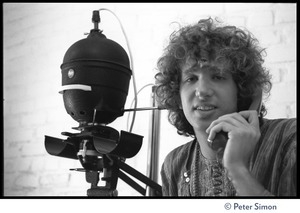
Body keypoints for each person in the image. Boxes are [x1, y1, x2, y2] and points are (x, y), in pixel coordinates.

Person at [154, 17, 296, 196]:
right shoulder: (174, 164)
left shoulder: (290, 139)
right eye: (191, 79)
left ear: (243, 90)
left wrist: (237, 169)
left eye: (218, 76)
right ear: (177, 94)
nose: (202, 91)